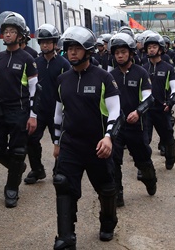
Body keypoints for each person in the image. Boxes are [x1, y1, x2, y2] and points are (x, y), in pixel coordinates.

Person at [52, 26, 122, 248]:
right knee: (63, 185)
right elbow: (57, 114)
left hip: (98, 146)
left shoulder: (104, 78)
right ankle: (65, 239)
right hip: (71, 145)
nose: (72, 52)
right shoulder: (62, 80)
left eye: (77, 48)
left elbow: (115, 111)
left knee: (107, 188)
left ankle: (108, 222)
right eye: (69, 48)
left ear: (88, 50)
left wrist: (109, 137)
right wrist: (56, 143)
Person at [0, 12, 37, 208]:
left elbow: (34, 89)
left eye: (12, 32)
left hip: (19, 110)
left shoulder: (27, 59)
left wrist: (33, 116)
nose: (8, 35)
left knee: (17, 151)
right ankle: (18, 167)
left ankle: (12, 188)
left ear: (20, 35)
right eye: (5, 31)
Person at [109, 33, 157, 207]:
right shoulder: (111, 75)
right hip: (117, 126)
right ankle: (117, 193)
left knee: (142, 159)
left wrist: (138, 112)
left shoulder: (141, 73)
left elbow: (149, 98)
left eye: (123, 52)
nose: (120, 55)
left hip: (137, 125)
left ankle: (150, 179)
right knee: (113, 159)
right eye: (116, 53)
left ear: (130, 53)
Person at [25, 24, 70, 185]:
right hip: (39, 110)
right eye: (42, 42)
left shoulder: (64, 64)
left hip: (57, 110)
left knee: (60, 141)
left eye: (48, 42)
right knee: (31, 139)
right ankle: (37, 169)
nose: (45, 45)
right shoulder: (35, 63)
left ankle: (59, 169)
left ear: (55, 43)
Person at [142, 33, 175, 170]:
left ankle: (170, 157)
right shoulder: (143, 68)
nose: (151, 49)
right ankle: (144, 167)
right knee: (144, 139)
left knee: (167, 137)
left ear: (161, 49)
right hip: (146, 110)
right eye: (149, 47)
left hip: (163, 109)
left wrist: (170, 102)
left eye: (154, 46)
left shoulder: (168, 68)